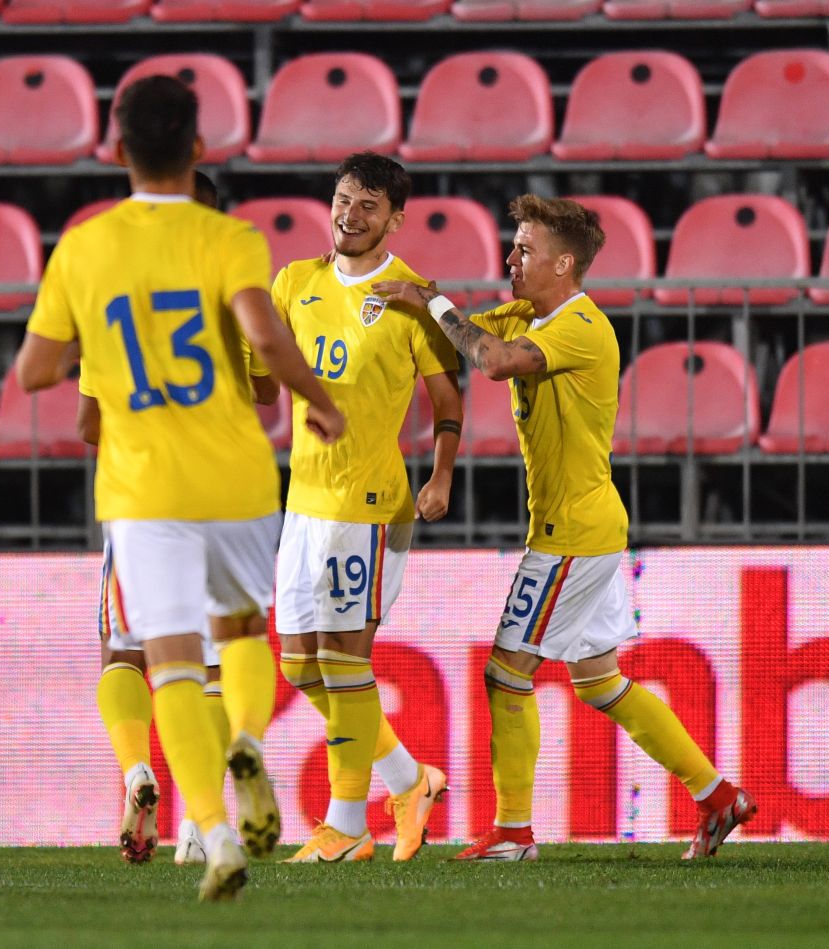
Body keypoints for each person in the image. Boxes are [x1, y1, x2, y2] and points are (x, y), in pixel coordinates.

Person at [14, 75, 344, 901]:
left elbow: (33, 371)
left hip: (141, 487)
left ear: (116, 150)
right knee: (238, 632)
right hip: (233, 474)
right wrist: (322, 400)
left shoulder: (84, 249)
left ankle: (216, 831)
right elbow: (265, 337)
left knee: (163, 662)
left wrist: (92, 339)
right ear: (199, 149)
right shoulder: (230, 239)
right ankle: (246, 739)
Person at [374, 195, 755, 862]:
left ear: (564, 262)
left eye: (524, 248)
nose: (511, 259)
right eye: (512, 246)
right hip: (588, 524)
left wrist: (428, 301)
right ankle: (719, 795)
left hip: (570, 533)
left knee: (505, 673)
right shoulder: (532, 312)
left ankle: (515, 832)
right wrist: (406, 306)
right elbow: (462, 336)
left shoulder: (583, 327)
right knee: (600, 681)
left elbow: (490, 360)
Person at [272, 152, 463, 863]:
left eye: (368, 207)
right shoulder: (295, 281)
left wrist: (439, 476)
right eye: (344, 200)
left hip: (372, 504)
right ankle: (410, 779)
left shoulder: (412, 296)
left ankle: (346, 823)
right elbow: (265, 382)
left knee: (346, 663)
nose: (350, 217)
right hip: (303, 503)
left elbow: (448, 401)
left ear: (396, 219)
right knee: (299, 667)